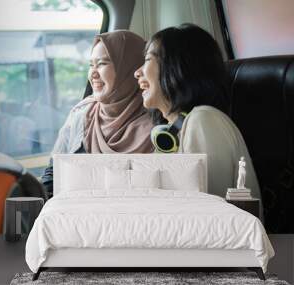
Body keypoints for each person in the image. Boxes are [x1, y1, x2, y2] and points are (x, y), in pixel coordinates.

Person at [134, 23, 261, 203]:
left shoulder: (204, 121)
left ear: (177, 67)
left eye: (147, 59)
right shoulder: (173, 131)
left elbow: (209, 216)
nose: (137, 72)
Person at [42, 30, 155, 197]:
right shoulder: (81, 114)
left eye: (102, 64)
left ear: (130, 67)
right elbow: (52, 176)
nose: (93, 74)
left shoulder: (160, 124)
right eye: (90, 65)